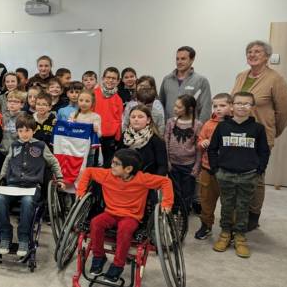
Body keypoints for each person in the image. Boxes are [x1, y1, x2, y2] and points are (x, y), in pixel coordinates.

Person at [78, 148, 173, 282]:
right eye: (112, 162)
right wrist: (81, 190)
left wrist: (167, 203)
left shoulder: (142, 179)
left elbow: (165, 182)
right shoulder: (107, 175)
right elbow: (88, 171)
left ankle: (117, 265)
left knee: (125, 229)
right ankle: (99, 257)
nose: (112, 165)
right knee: (96, 223)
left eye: (116, 164)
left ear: (128, 169)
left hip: (131, 216)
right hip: (111, 212)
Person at [230, 40, 287, 231]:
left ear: (266, 56)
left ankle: (253, 216)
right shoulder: (241, 76)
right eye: (249, 51)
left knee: (256, 177)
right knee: (237, 173)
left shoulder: (275, 79)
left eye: (257, 51)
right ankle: (237, 212)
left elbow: (285, 112)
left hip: (260, 136)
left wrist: (271, 131)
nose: (252, 54)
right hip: (238, 134)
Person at [208, 92, 270, 258]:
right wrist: (215, 169)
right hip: (225, 174)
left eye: (247, 104)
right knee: (227, 204)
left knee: (243, 206)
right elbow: (212, 148)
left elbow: (264, 151)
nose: (242, 106)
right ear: (232, 106)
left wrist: (259, 169)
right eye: (239, 103)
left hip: (248, 175)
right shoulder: (222, 127)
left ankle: (240, 237)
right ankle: (225, 233)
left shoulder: (258, 129)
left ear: (252, 107)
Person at [0, 114, 64, 256]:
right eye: (20, 131)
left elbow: (53, 162)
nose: (24, 134)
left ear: (33, 130)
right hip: (13, 185)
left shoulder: (40, 145)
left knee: (27, 202)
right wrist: (1, 178)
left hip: (32, 187)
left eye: (27, 131)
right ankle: (5, 236)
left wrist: (59, 178)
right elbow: (7, 162)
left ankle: (24, 238)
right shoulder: (14, 146)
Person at [194, 93, 233, 240]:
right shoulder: (208, 124)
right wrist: (202, 142)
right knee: (206, 201)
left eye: (222, 106)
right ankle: (206, 225)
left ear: (231, 106)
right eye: (215, 106)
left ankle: (228, 229)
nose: (218, 109)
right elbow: (200, 139)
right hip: (208, 169)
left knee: (229, 202)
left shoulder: (234, 125)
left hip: (228, 171)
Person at [164, 94, 203, 213]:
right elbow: (166, 141)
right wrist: (167, 161)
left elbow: (198, 147)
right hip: (173, 164)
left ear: (190, 109)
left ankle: (185, 211)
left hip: (189, 164)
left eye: (179, 107)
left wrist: (197, 165)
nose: (175, 109)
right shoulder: (170, 122)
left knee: (187, 191)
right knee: (174, 190)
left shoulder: (197, 125)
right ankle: (175, 211)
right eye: (175, 106)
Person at [160, 46, 212, 122]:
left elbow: (206, 109)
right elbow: (161, 104)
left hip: (191, 129)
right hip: (169, 128)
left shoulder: (201, 81)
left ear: (192, 60)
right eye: (177, 59)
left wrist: (199, 129)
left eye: (183, 59)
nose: (179, 62)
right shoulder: (167, 79)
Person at [122, 105, 167, 175]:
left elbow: (162, 166)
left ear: (148, 120)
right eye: (133, 117)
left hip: (148, 180)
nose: (136, 119)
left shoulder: (156, 140)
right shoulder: (124, 136)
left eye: (140, 117)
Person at [93, 67, 124, 168]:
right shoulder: (93, 93)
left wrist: (118, 138)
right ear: (103, 78)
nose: (110, 80)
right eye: (108, 77)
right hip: (93, 134)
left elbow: (119, 120)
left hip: (109, 138)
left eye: (114, 78)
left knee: (108, 165)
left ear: (118, 81)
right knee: (93, 163)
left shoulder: (118, 99)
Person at [70, 90, 102, 165]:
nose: (83, 103)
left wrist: (96, 130)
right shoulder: (73, 115)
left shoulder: (95, 116)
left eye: (87, 101)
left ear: (92, 103)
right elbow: (68, 132)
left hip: (89, 151)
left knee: (87, 171)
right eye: (81, 100)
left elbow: (99, 134)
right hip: (75, 150)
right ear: (77, 101)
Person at [0, 90, 25, 167]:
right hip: (3, 150)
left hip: (18, 152)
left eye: (16, 102)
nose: (12, 103)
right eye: (10, 101)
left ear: (22, 104)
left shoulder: (24, 117)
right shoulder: (3, 116)